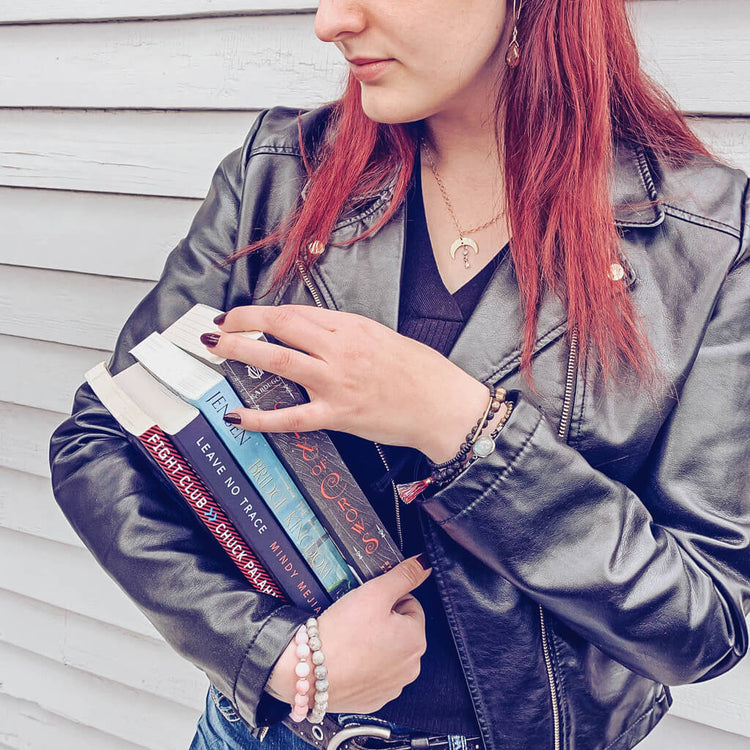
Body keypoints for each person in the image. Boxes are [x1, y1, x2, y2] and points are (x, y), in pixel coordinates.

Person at [49, 0, 750, 749]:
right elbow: (101, 439)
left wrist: (459, 425)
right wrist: (276, 656)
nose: (330, 22)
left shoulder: (706, 240)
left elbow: (701, 623)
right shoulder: (281, 171)